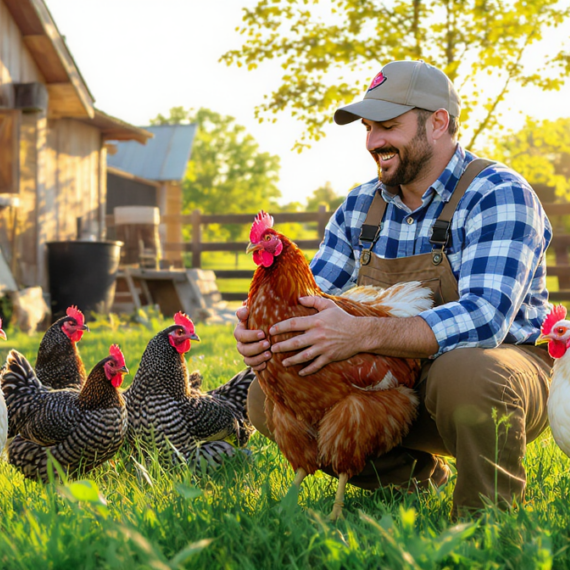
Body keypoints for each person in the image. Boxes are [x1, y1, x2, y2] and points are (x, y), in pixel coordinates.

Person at [235, 60, 553, 516]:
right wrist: (265, 331)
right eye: (368, 128)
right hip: (392, 385)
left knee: (467, 372)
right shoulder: (359, 206)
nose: (373, 142)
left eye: (388, 126)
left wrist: (363, 335)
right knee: (267, 395)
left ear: (438, 122)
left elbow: (486, 318)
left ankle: (487, 519)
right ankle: (410, 483)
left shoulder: (497, 192)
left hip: (497, 373)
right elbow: (310, 300)